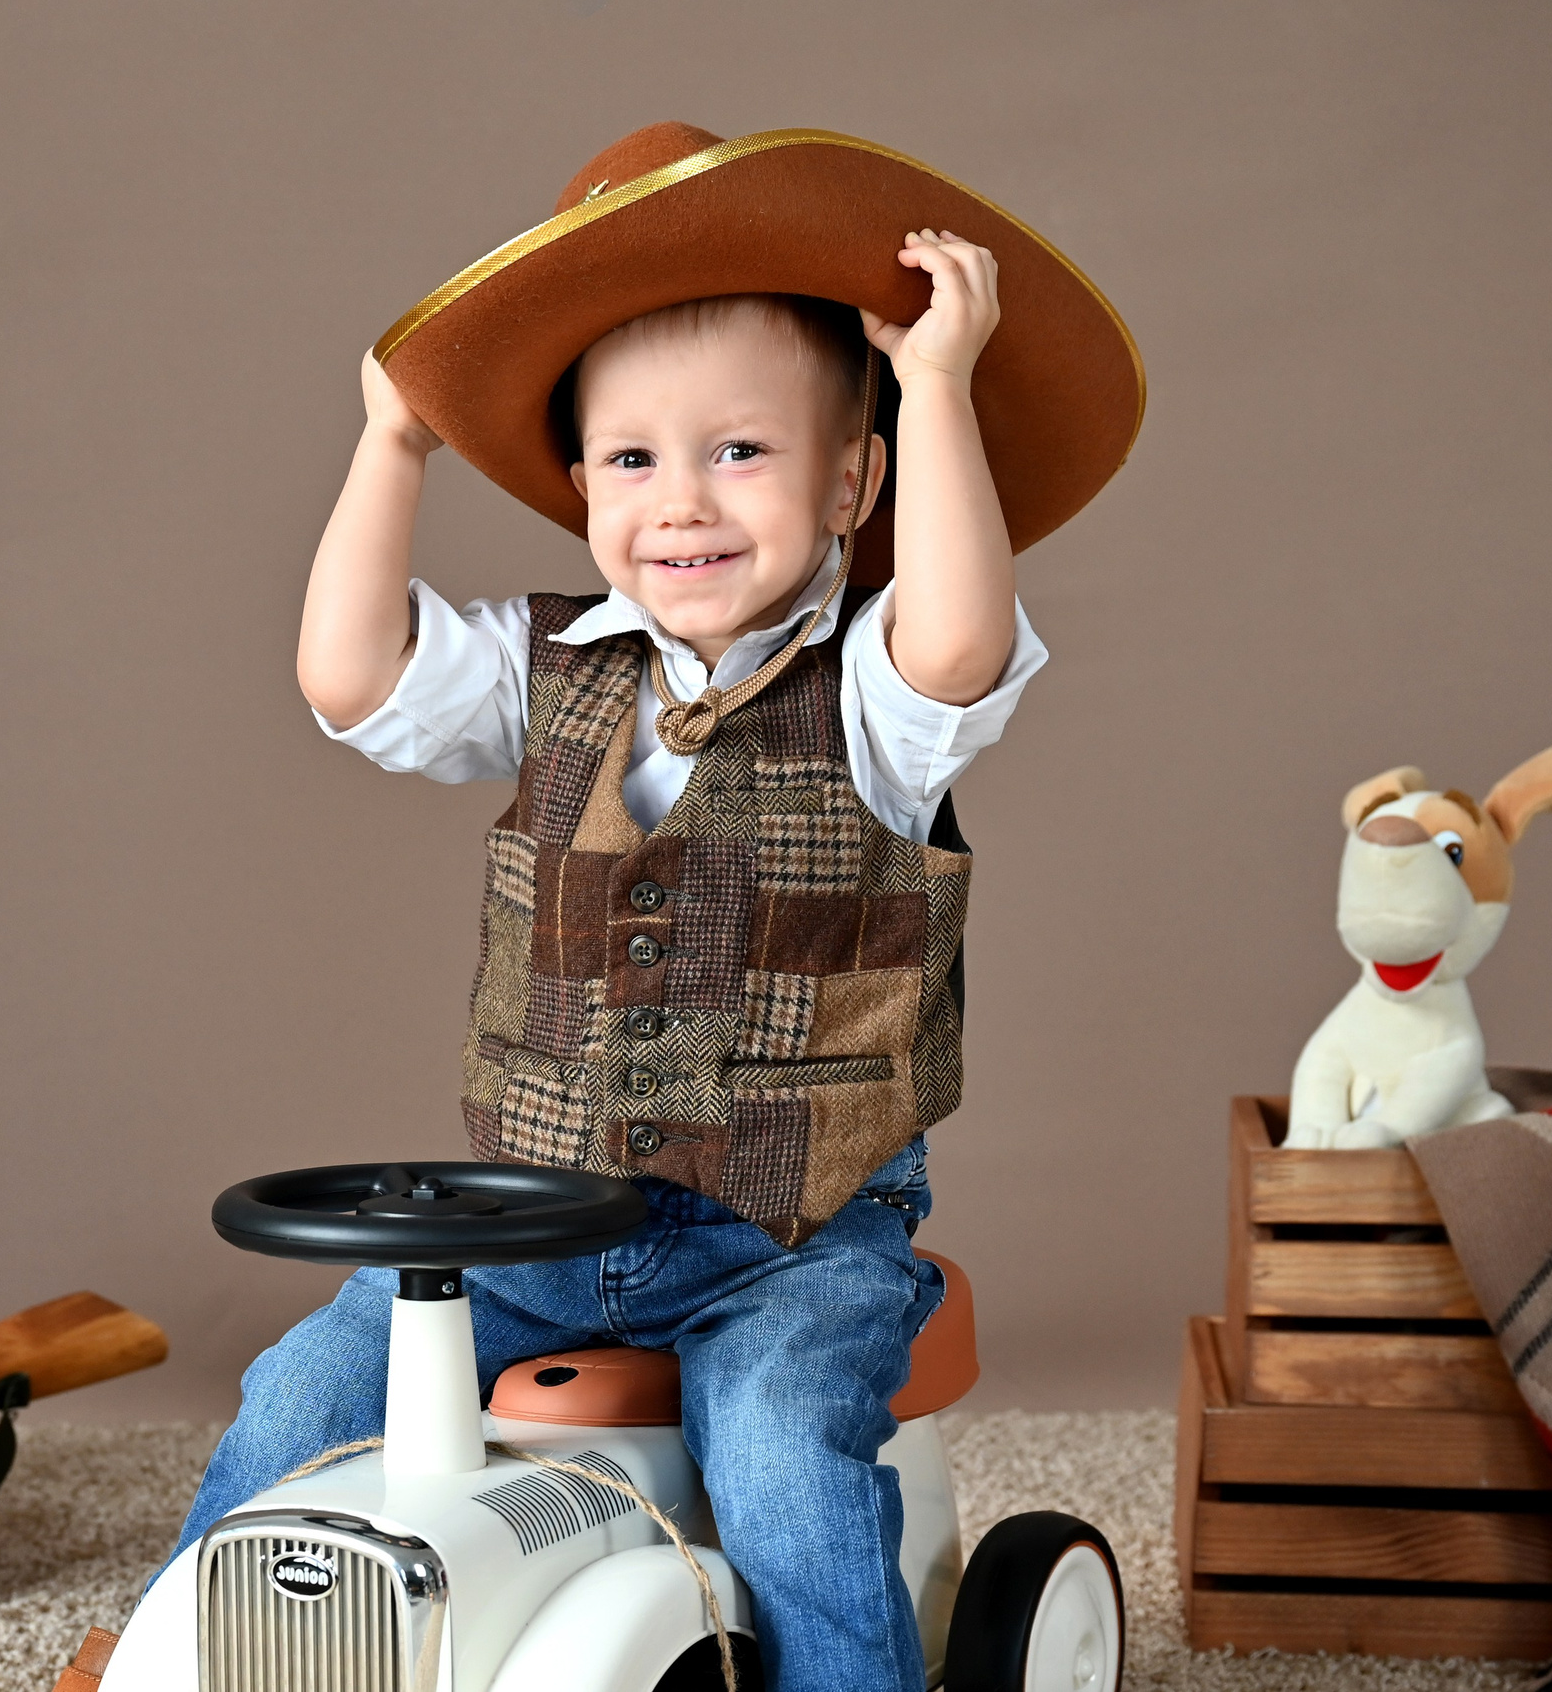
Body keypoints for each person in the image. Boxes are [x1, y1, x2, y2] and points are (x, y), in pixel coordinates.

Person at [171, 122, 1143, 1691]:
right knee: (299, 1394)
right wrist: (391, 446)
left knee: (776, 1461)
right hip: (539, 1218)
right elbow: (347, 678)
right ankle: (196, 1661)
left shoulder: (875, 699)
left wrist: (943, 383)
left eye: (739, 451)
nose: (680, 500)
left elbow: (960, 639)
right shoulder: (550, 667)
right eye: (632, 459)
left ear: (852, 479)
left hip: (797, 1233)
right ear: (578, 490)